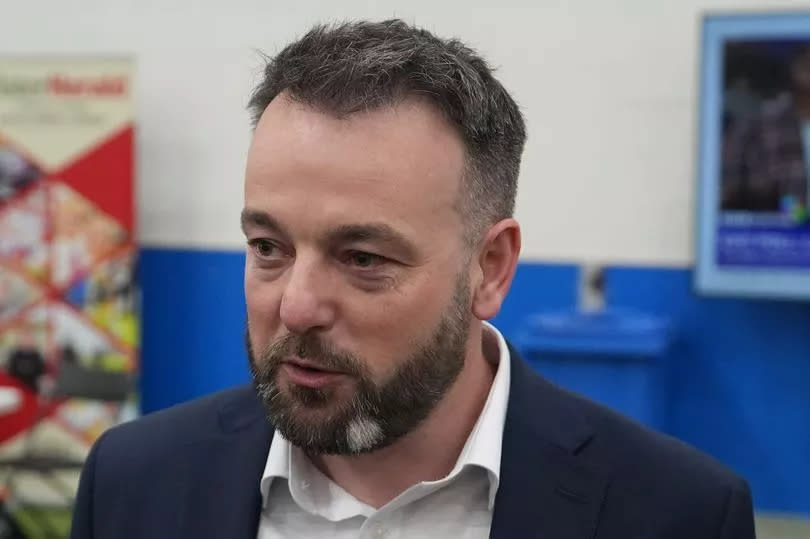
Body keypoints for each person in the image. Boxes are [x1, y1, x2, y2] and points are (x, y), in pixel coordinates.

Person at [71, 20, 755, 539]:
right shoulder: (134, 486)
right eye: (268, 245)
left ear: (490, 268)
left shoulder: (677, 513)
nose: (298, 304)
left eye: (363, 257)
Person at [723, 42, 810, 215]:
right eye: (806, 59)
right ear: (794, 66)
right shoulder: (757, 124)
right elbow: (728, 189)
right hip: (772, 236)